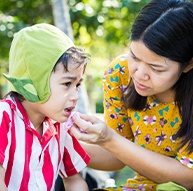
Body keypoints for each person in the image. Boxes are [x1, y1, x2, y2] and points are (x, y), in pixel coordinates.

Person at [70, 0, 193, 190]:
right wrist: (60, 145)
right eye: (134, 57)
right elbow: (117, 156)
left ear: (189, 64)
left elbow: (188, 178)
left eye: (156, 68)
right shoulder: (120, 74)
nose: (139, 73)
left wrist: (109, 139)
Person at [0, 23, 91, 191]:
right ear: (35, 80)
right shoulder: (4, 117)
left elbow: (74, 180)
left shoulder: (60, 126)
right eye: (67, 84)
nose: (75, 96)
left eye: (77, 85)